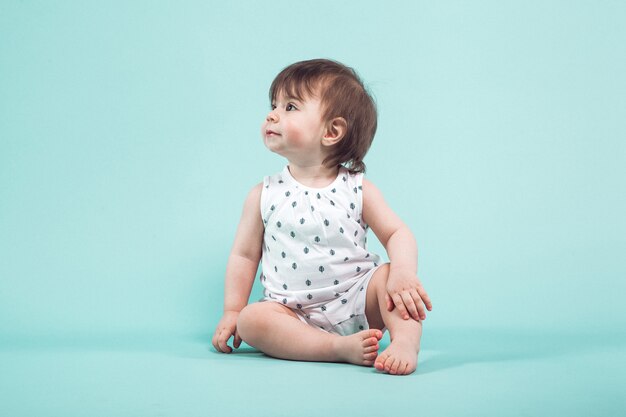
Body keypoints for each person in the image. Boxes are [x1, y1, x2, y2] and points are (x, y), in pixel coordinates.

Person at [211, 59, 432, 375]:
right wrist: (232, 310)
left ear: (332, 131)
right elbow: (244, 256)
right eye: (274, 105)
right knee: (252, 320)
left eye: (290, 107)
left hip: (356, 300)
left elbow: (398, 233)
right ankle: (335, 348)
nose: (272, 114)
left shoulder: (357, 189)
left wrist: (403, 273)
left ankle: (405, 342)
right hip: (292, 315)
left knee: (387, 279)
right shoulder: (263, 194)